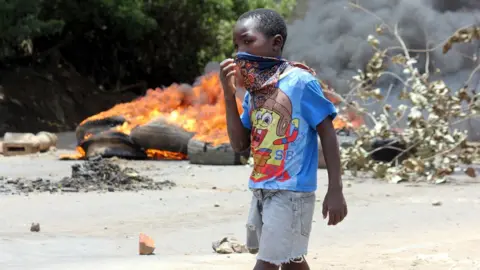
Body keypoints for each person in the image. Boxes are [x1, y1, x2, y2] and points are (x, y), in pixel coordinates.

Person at [219, 8, 348, 270]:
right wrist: (227, 94)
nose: (240, 51)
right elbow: (239, 144)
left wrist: (335, 188)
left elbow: (327, 132)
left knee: (267, 263)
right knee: (291, 261)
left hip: (291, 192)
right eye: (236, 45)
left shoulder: (301, 82)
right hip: (262, 188)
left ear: (276, 42)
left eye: (248, 41)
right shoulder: (255, 92)